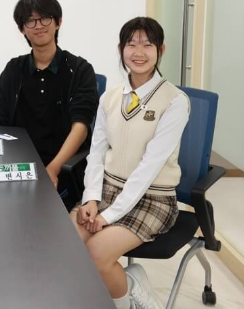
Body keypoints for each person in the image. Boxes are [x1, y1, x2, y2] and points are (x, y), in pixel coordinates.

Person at [71, 17, 189, 309]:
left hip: (152, 198)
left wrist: (109, 216)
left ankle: (128, 297)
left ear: (160, 50)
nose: (139, 52)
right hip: (107, 190)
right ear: (120, 49)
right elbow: (96, 152)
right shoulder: (110, 97)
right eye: (131, 44)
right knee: (67, 245)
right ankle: (123, 285)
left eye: (147, 45)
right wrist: (91, 198)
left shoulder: (175, 101)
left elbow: (149, 167)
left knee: (97, 254)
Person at [0, 0, 98, 204]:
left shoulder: (79, 69)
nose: (38, 26)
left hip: (63, 168)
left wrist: (53, 169)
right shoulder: (14, 69)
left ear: (58, 22)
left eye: (45, 18)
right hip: (18, 166)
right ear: (22, 29)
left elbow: (81, 127)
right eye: (30, 21)